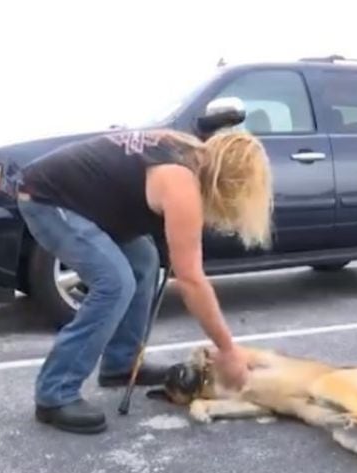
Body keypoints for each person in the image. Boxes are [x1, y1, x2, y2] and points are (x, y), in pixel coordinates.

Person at [14, 127, 273, 434]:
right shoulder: (180, 182)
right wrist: (227, 351)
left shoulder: (190, 150)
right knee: (115, 283)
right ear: (229, 181)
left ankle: (121, 365)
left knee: (144, 263)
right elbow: (191, 280)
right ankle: (54, 394)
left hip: (85, 204)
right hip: (46, 199)